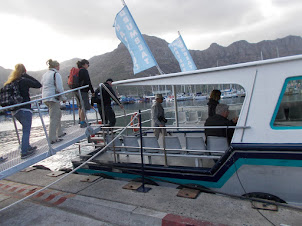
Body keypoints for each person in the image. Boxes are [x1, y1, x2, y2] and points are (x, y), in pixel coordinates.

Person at [4, 64, 42, 159]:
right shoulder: (24, 81)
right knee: (26, 130)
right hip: (25, 108)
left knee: (25, 128)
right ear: (24, 71)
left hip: (15, 111)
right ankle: (24, 152)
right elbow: (38, 84)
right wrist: (26, 75)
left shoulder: (12, 82)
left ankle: (27, 146)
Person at [41, 59, 67, 144]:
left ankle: (59, 132)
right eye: (59, 66)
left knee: (57, 114)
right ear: (56, 66)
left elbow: (42, 86)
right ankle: (52, 138)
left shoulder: (45, 75)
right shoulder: (56, 74)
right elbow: (59, 88)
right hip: (53, 98)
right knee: (54, 117)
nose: (59, 67)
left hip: (45, 98)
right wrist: (63, 98)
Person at [74, 59, 94, 128]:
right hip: (83, 91)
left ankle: (80, 120)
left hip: (76, 90)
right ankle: (83, 122)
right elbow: (88, 81)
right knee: (84, 106)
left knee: (80, 106)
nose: (88, 66)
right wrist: (92, 91)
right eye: (88, 64)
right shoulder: (84, 71)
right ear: (84, 64)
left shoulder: (78, 70)